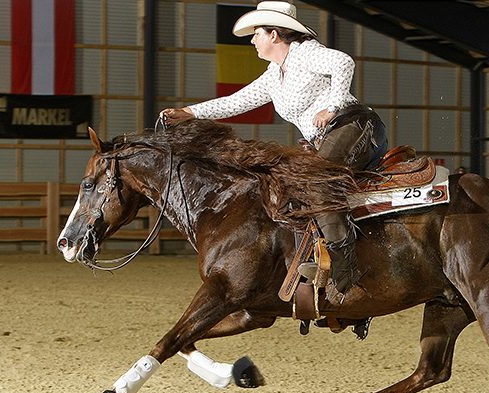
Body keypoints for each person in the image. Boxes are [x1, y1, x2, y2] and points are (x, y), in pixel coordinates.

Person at [161, 1, 388, 298]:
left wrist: (333, 107)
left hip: (354, 126)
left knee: (313, 181)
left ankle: (345, 268)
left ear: (274, 35)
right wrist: (190, 112)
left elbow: (344, 62)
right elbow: (235, 101)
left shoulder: (306, 54)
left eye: (257, 33)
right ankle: (314, 257)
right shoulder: (274, 74)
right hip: (329, 137)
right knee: (289, 188)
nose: (253, 40)